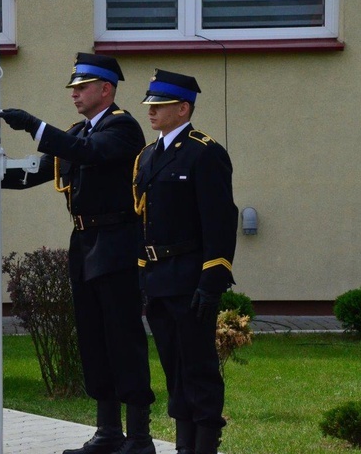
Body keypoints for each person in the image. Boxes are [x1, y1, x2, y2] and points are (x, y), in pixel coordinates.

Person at [0, 53, 156, 454]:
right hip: (85, 245)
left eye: (82, 87)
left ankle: (138, 437)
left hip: (118, 243)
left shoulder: (122, 128)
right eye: (73, 88)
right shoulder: (76, 132)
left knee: (123, 337)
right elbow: (31, 173)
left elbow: (88, 152)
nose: (75, 95)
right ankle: (107, 432)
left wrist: (35, 126)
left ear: (106, 89)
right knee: (93, 337)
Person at [132, 69, 238, 454]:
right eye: (150, 105)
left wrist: (213, 279)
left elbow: (221, 220)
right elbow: (143, 219)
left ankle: (205, 444)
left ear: (183, 108)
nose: (151, 112)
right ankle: (183, 447)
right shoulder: (147, 156)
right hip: (158, 278)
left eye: (159, 106)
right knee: (174, 370)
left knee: (199, 369)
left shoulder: (204, 152)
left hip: (191, 277)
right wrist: (142, 276)